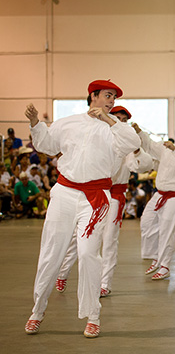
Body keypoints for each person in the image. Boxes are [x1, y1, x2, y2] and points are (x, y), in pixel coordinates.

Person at [22, 79, 140, 338]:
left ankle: (93, 315)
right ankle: (37, 310)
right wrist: (34, 123)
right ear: (93, 96)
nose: (111, 101)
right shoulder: (69, 122)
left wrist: (110, 120)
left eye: (114, 98)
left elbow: (131, 143)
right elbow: (47, 145)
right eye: (107, 96)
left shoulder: (116, 128)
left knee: (88, 254)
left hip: (96, 197)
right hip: (64, 193)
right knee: (51, 253)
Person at [54, 106, 153, 297]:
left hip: (115, 196)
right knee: (79, 237)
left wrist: (137, 148)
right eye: (117, 117)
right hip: (92, 193)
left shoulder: (127, 144)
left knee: (109, 241)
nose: (121, 121)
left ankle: (104, 283)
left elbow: (143, 166)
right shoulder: (96, 137)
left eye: (124, 119)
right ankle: (63, 272)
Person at [137, 124, 175, 280]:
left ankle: (165, 266)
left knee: (167, 229)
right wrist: (139, 132)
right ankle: (155, 256)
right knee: (147, 222)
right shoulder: (165, 150)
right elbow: (150, 145)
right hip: (160, 194)